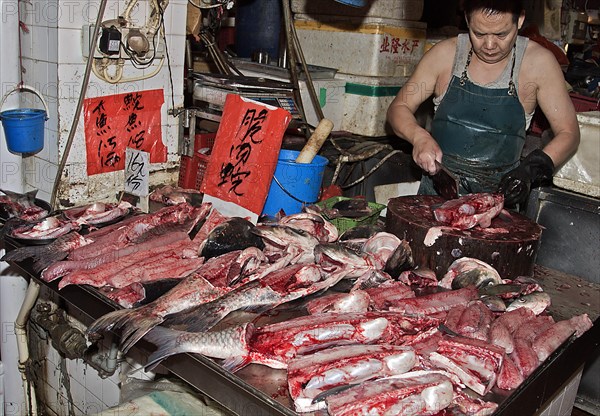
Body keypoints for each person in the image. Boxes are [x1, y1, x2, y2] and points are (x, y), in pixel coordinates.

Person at [386, 0, 580, 207]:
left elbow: (569, 133)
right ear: (467, 20)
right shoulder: (444, 55)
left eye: (501, 35)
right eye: (479, 34)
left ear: (520, 20)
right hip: (437, 193)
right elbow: (399, 108)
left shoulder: (538, 64)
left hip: (500, 200)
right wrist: (419, 137)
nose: (489, 46)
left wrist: (531, 169)